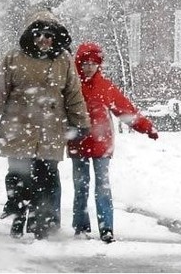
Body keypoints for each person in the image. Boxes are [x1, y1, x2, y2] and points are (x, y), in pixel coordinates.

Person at [0, 10, 91, 240]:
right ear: (32, 34)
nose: (44, 39)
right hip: (19, 126)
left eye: (49, 35)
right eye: (39, 34)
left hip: (50, 129)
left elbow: (73, 95)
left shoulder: (63, 60)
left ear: (55, 37)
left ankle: (41, 224)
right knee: (19, 175)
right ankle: (18, 214)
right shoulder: (14, 58)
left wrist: (81, 122)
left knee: (46, 177)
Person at [68, 42, 159, 243]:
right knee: (80, 186)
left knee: (102, 186)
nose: (89, 67)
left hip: (101, 143)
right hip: (78, 142)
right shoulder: (72, 85)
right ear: (79, 64)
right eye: (85, 63)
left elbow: (125, 110)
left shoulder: (105, 87)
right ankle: (81, 226)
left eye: (94, 63)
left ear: (99, 64)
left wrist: (146, 127)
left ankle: (106, 227)